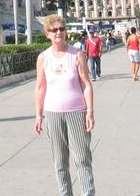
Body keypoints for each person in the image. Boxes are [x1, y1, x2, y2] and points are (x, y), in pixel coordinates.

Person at [34, 15, 96, 196]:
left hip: (77, 112)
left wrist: (90, 112)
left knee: (83, 158)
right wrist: (38, 115)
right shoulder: (43, 58)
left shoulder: (76, 54)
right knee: (60, 161)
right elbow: (40, 87)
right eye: (54, 30)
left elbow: (86, 84)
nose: (59, 32)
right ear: (47, 34)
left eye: (61, 29)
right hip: (52, 113)